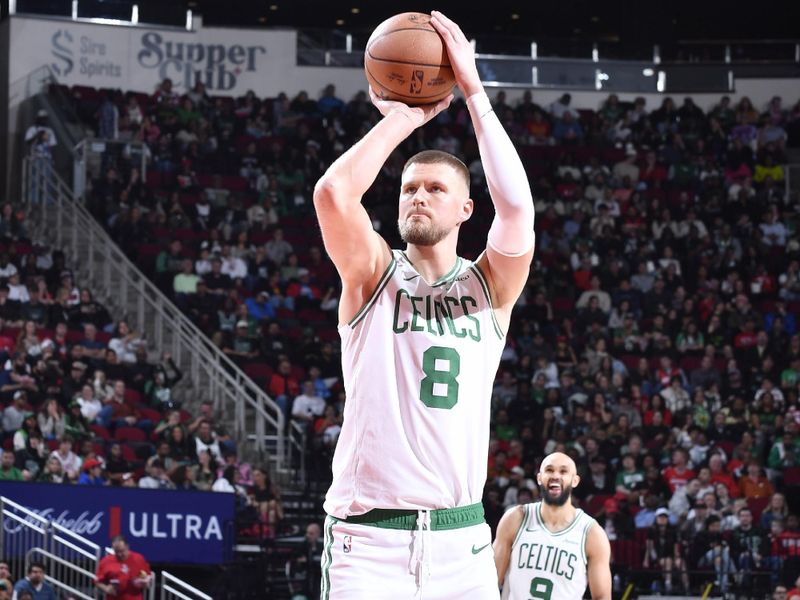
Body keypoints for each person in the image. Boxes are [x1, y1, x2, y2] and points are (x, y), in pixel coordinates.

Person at [314, 11, 535, 599]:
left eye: (436, 189)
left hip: (461, 541)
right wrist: (403, 120)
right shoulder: (372, 275)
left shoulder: (491, 287)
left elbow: (516, 212)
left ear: (465, 210)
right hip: (369, 541)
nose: (418, 197)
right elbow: (334, 194)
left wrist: (475, 93)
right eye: (409, 188)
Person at [493, 452, 612, 599]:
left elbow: (602, 597)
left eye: (563, 471)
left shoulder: (591, 533)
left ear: (575, 481)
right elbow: (489, 581)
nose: (555, 476)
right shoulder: (516, 518)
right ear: (539, 478)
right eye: (549, 470)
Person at [95, 535, 152, 600]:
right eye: (116, 551)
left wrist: (145, 582)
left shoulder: (138, 559)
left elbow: (147, 576)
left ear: (127, 547)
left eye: (122, 551)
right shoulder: (106, 561)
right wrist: (107, 589)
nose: (119, 554)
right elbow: (97, 581)